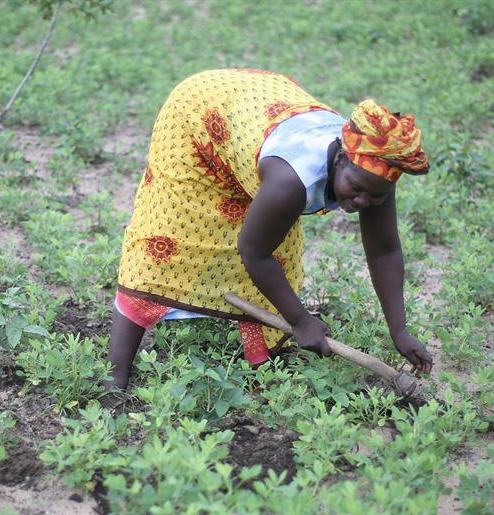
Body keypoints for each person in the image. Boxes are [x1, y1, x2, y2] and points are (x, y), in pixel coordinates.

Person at [104, 68, 433, 392]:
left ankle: (262, 357)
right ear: (340, 159)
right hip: (201, 113)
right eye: (356, 188)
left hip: (259, 109)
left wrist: (399, 330)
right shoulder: (291, 181)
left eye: (376, 196)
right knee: (166, 241)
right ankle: (114, 374)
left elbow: (385, 250)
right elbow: (254, 252)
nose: (363, 201)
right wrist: (301, 320)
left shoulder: (376, 171)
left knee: (281, 253)